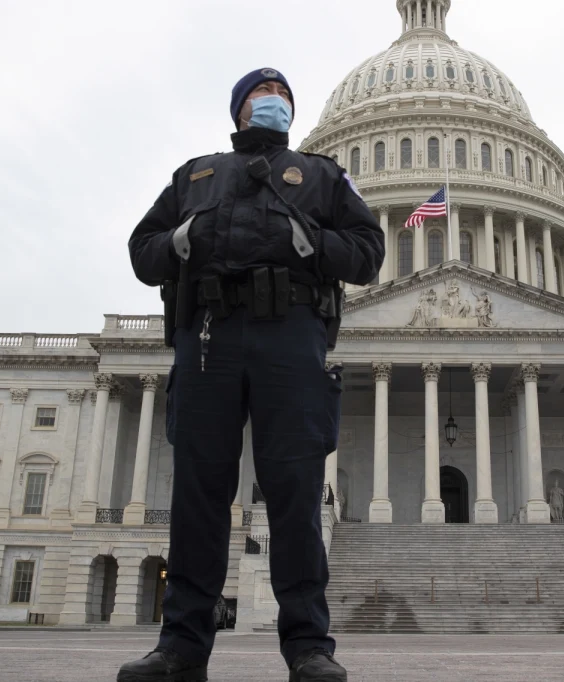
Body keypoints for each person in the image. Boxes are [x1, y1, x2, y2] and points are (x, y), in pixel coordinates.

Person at [120, 68, 384, 682]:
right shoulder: (195, 175)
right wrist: (185, 237)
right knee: (199, 494)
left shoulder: (321, 176)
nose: (275, 102)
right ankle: (181, 648)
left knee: (295, 494)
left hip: (290, 333)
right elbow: (143, 252)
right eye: (264, 95)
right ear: (240, 108)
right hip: (208, 333)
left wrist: (310, 240)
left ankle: (309, 648)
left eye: (284, 96)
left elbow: (368, 254)